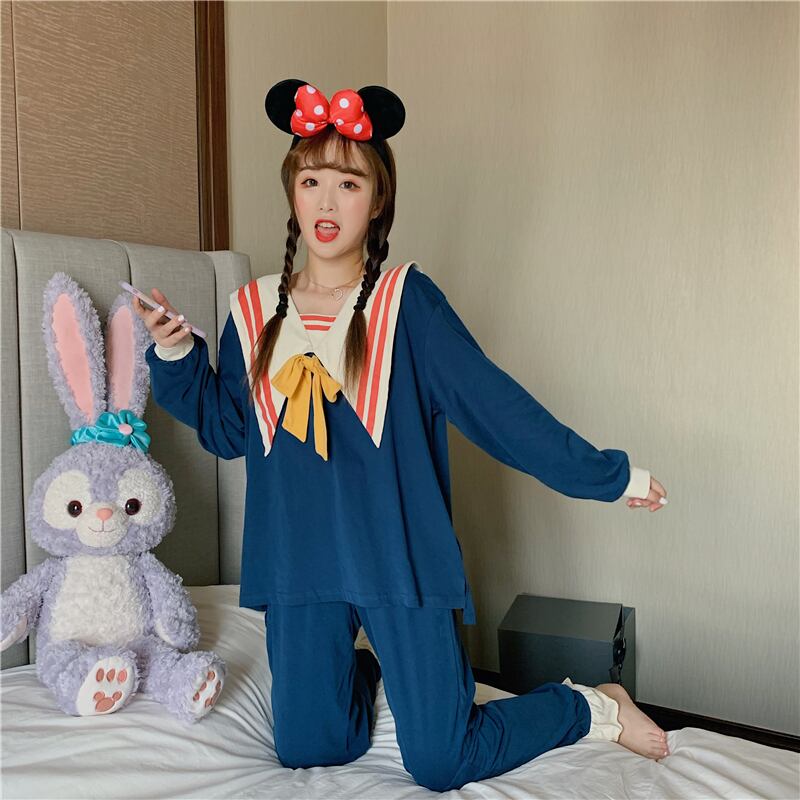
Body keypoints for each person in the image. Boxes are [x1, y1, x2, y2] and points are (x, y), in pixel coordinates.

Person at [136, 78, 670, 792]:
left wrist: (607, 475)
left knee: (443, 760)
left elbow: (500, 411)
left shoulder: (406, 304)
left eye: (348, 183)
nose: (327, 203)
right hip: (299, 567)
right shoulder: (253, 309)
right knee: (310, 747)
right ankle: (362, 670)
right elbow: (231, 432)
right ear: (292, 191)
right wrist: (176, 353)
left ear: (378, 199)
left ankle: (589, 706)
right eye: (311, 180)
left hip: (400, 561)